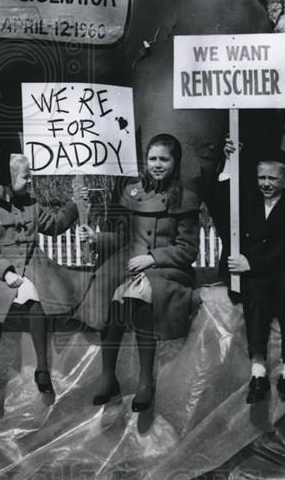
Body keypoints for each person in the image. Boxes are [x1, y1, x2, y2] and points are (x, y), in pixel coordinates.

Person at [77, 134, 201, 413]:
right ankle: (108, 375)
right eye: (152, 159)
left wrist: (152, 258)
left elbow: (188, 249)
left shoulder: (186, 198)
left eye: (164, 159)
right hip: (128, 262)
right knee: (109, 293)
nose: (157, 165)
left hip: (167, 269)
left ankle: (146, 379)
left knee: (140, 294)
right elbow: (122, 238)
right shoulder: (133, 194)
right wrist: (96, 239)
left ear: (175, 162)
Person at [0, 154, 90, 397]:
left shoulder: (32, 205)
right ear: (10, 178)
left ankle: (43, 369)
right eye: (26, 177)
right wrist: (5, 273)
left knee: (35, 299)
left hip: (31, 265)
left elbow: (55, 224)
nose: (30, 181)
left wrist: (75, 204)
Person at [220, 148, 285, 404]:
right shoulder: (246, 205)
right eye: (261, 177)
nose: (265, 183)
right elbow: (223, 199)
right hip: (257, 277)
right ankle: (258, 372)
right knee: (255, 293)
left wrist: (251, 263)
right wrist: (228, 162)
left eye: (272, 179)